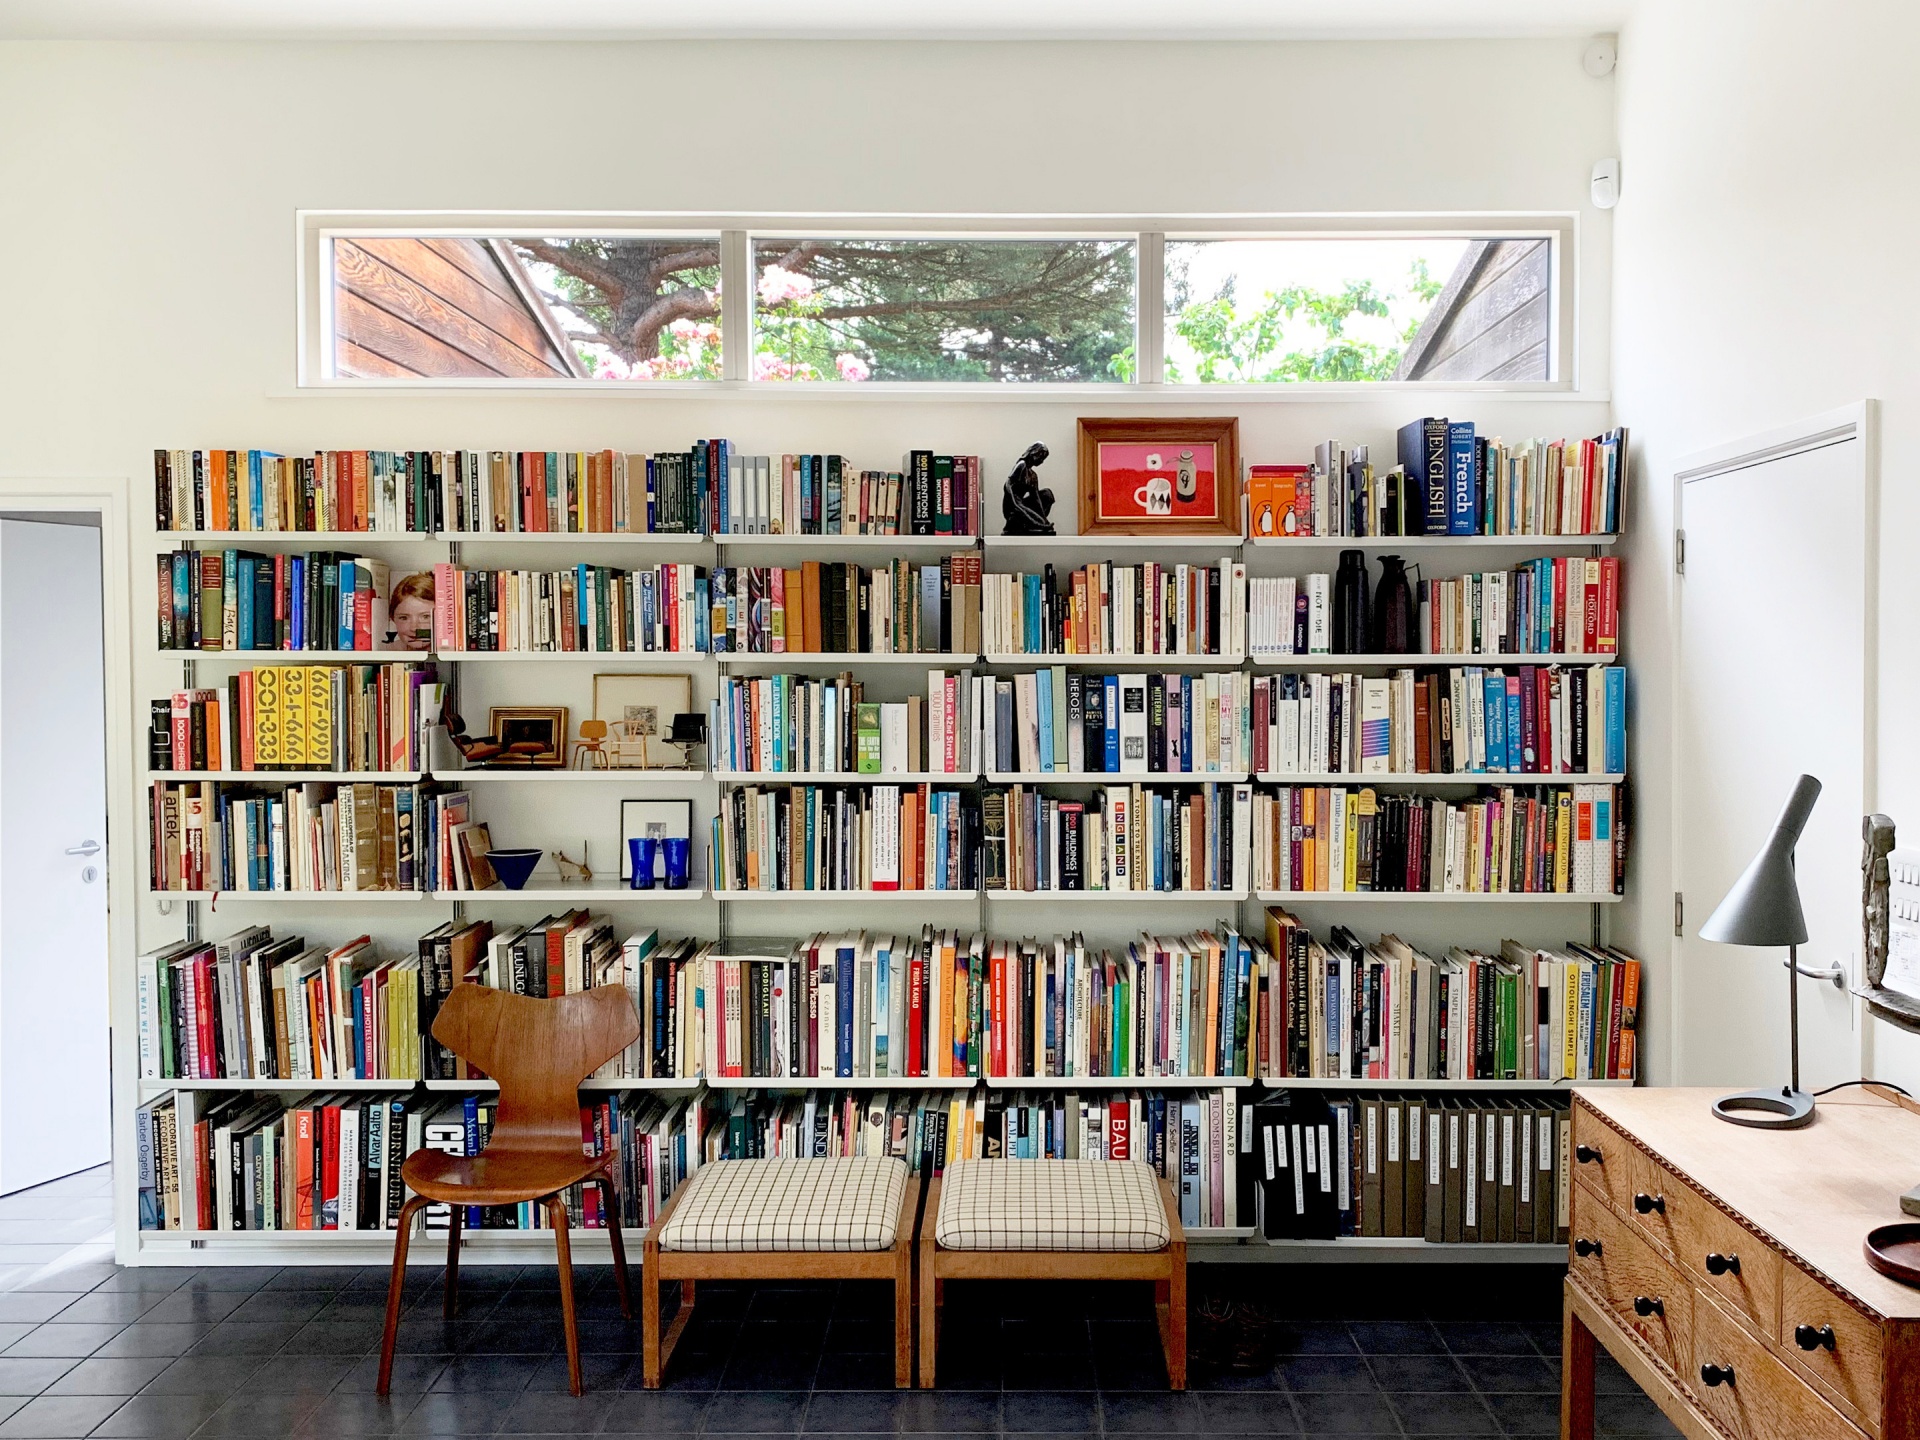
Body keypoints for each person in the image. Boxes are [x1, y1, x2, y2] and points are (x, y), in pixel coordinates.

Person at [389, 571, 434, 651]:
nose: (414, 628)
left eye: (426, 617)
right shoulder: (385, 651)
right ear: (392, 618)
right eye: (404, 618)